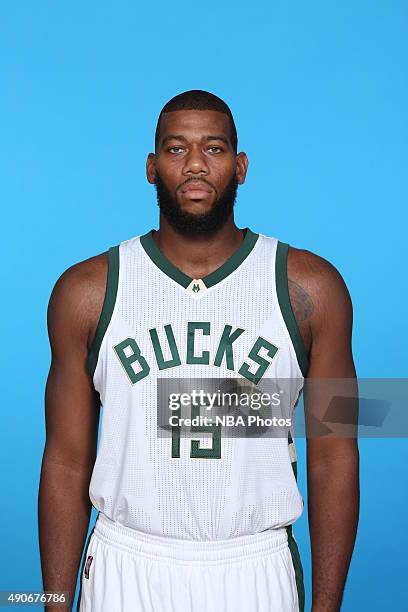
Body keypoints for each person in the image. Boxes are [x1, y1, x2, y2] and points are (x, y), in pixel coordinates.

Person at [38, 90, 359, 612]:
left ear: (241, 166)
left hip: (255, 564)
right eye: (175, 148)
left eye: (213, 149)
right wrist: (53, 602)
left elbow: (336, 454)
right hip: (126, 560)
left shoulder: (314, 288)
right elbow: (66, 460)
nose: (193, 164)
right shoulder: (86, 290)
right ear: (150, 166)